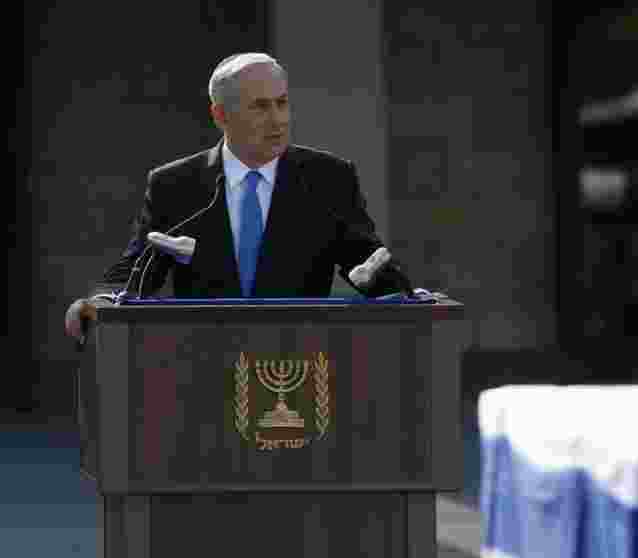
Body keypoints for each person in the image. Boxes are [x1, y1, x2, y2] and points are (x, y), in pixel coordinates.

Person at [64, 52, 412, 343]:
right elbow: (136, 270)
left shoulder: (328, 179)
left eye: (282, 103)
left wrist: (399, 291)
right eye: (260, 107)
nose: (277, 119)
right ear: (220, 115)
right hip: (201, 360)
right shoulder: (175, 184)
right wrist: (99, 303)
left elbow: (368, 263)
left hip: (298, 362)